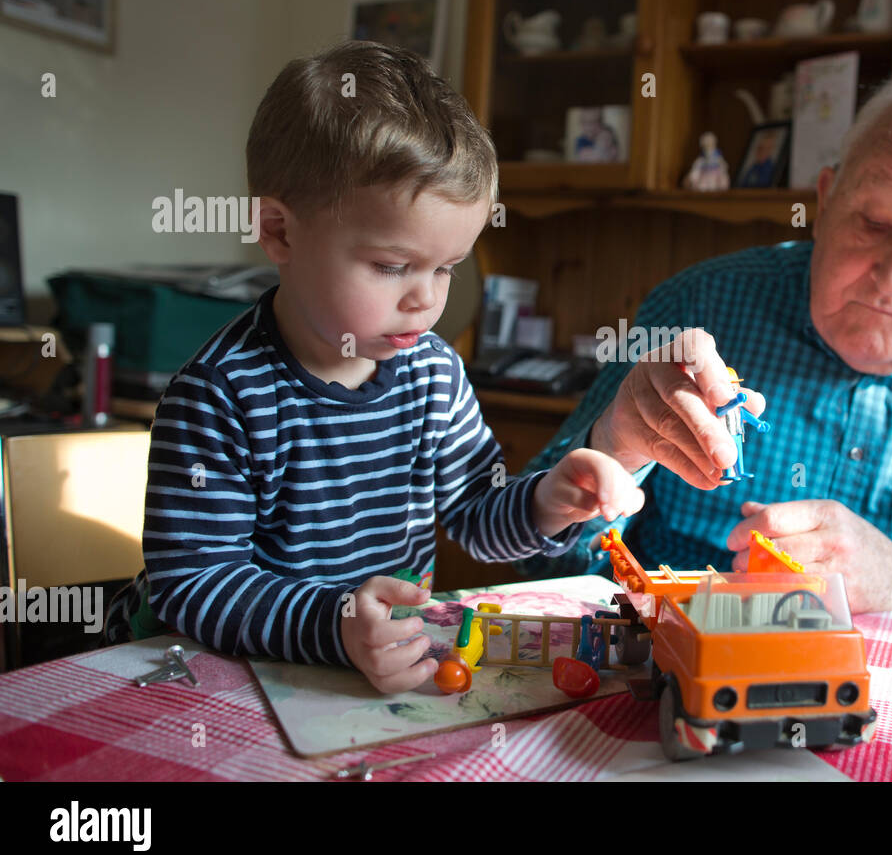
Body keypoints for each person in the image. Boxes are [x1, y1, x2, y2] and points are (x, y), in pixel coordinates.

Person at [521, 60, 892, 653]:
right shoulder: (697, 306)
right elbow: (530, 558)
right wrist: (615, 448)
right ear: (826, 198)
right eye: (873, 223)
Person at [102, 41, 643, 692]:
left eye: (445, 268)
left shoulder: (433, 374)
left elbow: (475, 515)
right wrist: (334, 625)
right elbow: (194, 585)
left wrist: (545, 504)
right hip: (207, 672)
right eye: (392, 267)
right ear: (279, 231)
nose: (427, 298)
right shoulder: (219, 393)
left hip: (354, 673)